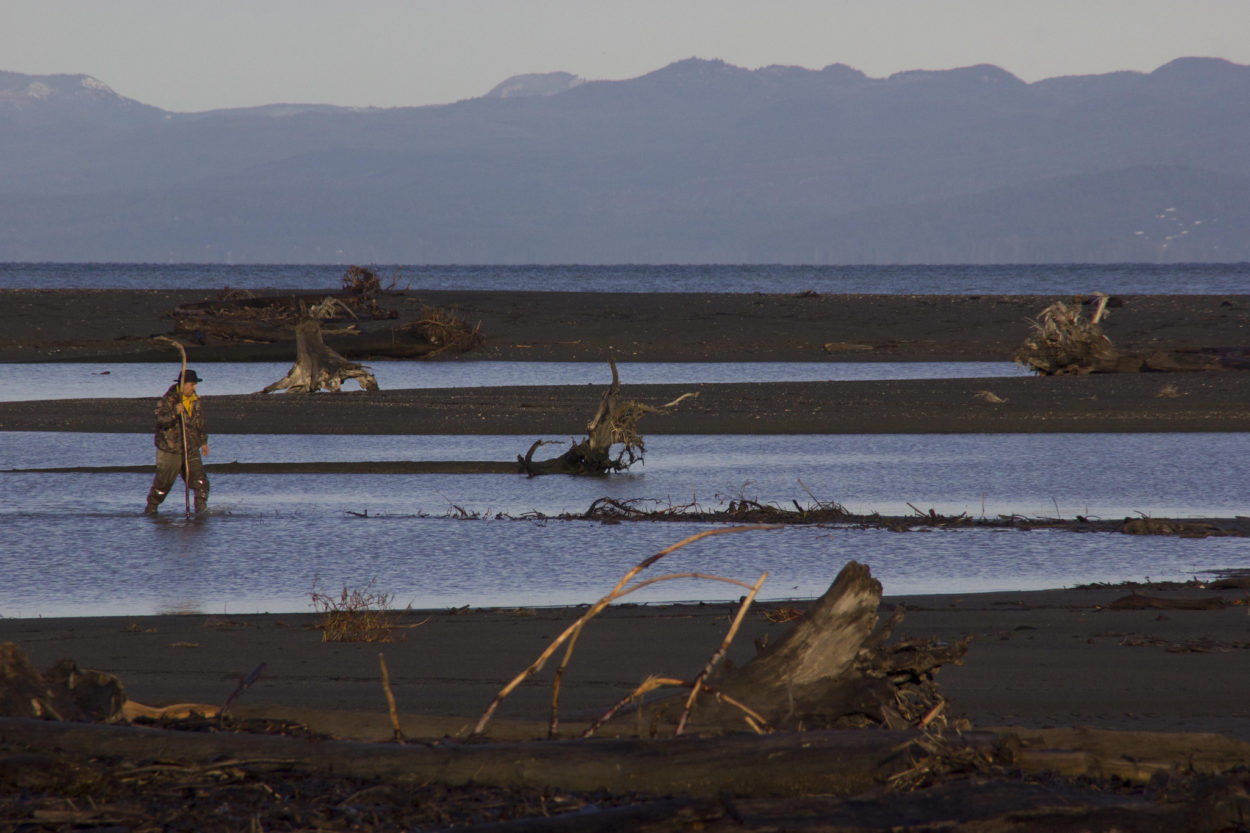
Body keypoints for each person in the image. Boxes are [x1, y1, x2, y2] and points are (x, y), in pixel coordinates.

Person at [144, 369, 210, 514]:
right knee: (163, 484)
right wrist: (175, 412)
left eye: (195, 385)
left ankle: (201, 512)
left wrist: (203, 441)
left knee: (201, 482)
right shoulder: (167, 400)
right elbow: (161, 420)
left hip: (191, 447)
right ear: (183, 384)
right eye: (192, 384)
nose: (194, 388)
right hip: (170, 448)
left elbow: (199, 423)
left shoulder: (195, 401)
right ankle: (151, 509)